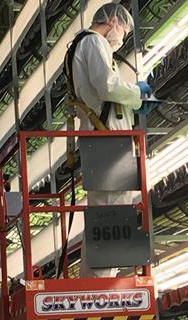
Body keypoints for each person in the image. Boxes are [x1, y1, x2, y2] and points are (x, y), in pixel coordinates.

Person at [64, 3, 159, 278]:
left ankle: (92, 283)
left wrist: (132, 102)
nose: (122, 38)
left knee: (105, 213)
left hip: (102, 137)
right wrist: (138, 94)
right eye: (124, 31)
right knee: (112, 216)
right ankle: (101, 289)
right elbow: (106, 85)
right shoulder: (93, 42)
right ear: (114, 20)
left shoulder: (83, 46)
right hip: (106, 140)